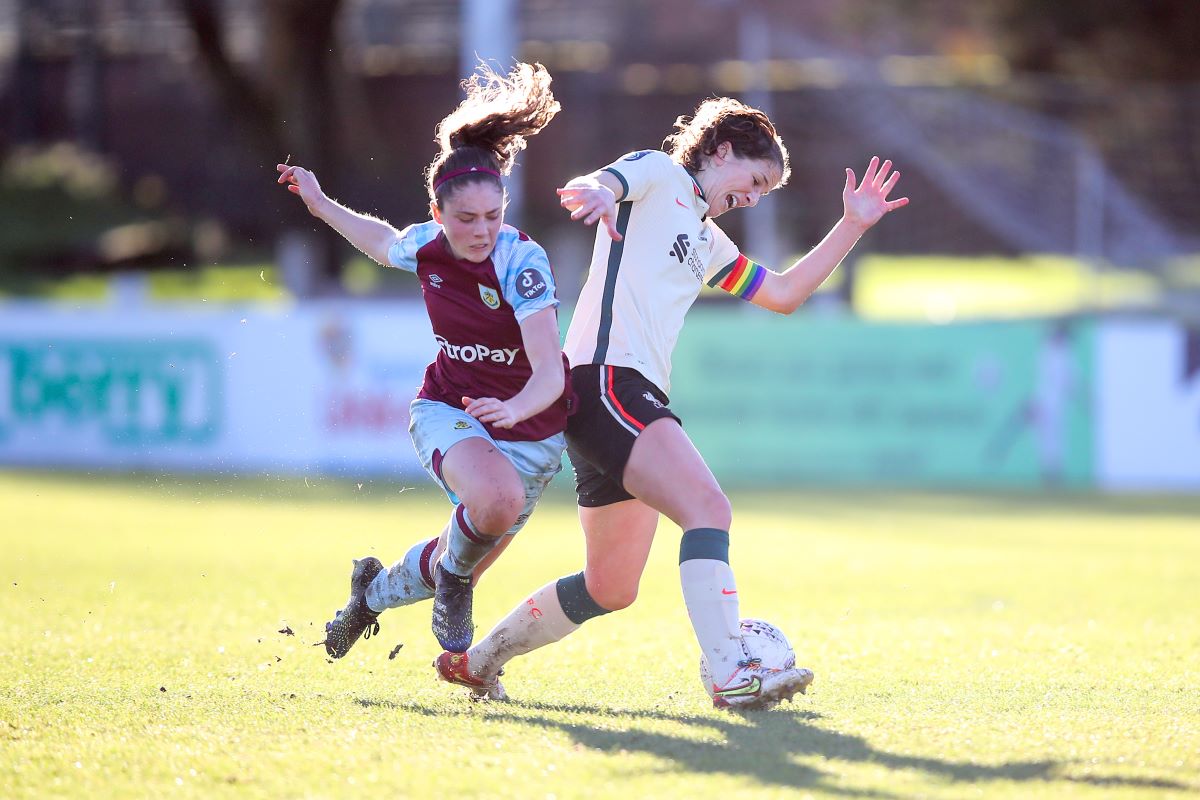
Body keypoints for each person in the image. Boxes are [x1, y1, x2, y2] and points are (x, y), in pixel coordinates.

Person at [434, 97, 909, 709]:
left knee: (611, 587)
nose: (756, 197)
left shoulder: (709, 242)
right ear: (721, 151)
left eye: (767, 191)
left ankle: (478, 662)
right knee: (709, 508)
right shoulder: (660, 177)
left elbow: (785, 294)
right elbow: (606, 180)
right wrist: (600, 192)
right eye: (756, 180)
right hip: (606, 382)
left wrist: (852, 226)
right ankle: (731, 672)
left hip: (612, 396)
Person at [275, 62, 571, 662]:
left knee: (453, 556)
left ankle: (368, 598)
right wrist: (321, 203)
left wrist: (513, 408)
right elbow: (382, 241)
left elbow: (550, 374)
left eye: (493, 216)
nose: (482, 231)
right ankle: (455, 587)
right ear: (438, 215)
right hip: (448, 409)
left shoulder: (522, 263)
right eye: (466, 219)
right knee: (490, 509)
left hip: (532, 433)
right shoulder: (429, 248)